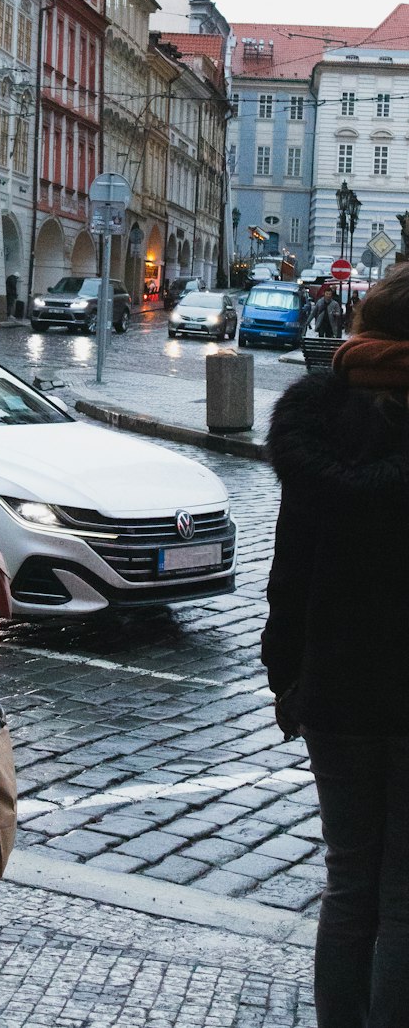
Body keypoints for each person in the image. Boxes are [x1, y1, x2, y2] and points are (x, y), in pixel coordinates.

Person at [262, 263, 409, 1028]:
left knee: (349, 882)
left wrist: (289, 678)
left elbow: (288, 576)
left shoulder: (315, 422)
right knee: (405, 898)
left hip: (336, 687)